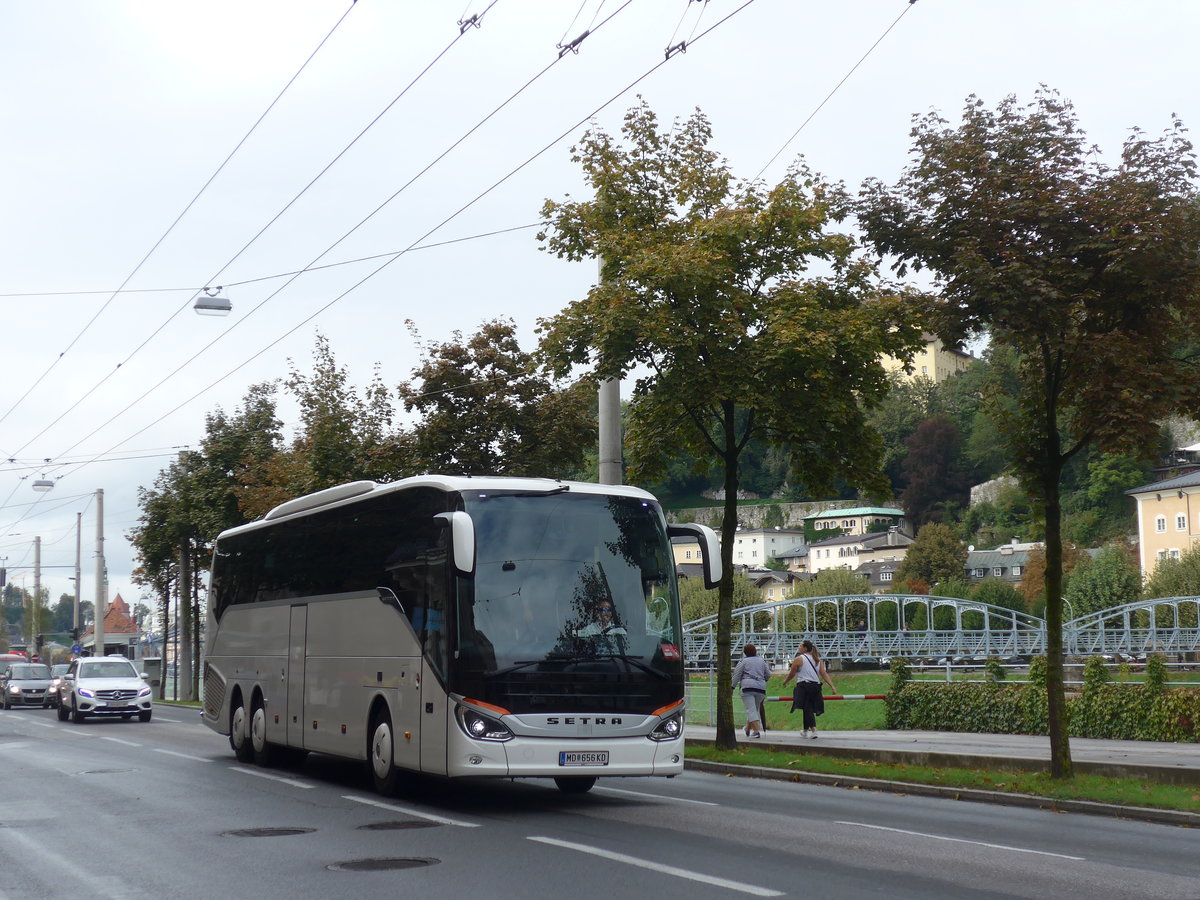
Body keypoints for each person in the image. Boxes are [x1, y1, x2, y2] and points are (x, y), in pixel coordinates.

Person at [782, 640, 836, 739]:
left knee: (807, 708)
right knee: (808, 708)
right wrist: (832, 686)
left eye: (800, 646)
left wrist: (785, 682)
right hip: (815, 686)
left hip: (804, 686)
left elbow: (792, 673)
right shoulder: (817, 660)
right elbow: (823, 674)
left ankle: (814, 730)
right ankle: (805, 730)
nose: (799, 647)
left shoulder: (799, 659)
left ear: (805, 648)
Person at [731, 643, 771, 739]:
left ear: (745, 653)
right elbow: (768, 675)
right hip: (761, 688)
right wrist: (762, 680)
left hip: (747, 687)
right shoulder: (762, 661)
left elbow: (737, 675)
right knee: (754, 709)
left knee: (751, 710)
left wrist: (732, 687)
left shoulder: (743, 662)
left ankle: (756, 731)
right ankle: (747, 728)